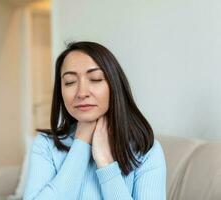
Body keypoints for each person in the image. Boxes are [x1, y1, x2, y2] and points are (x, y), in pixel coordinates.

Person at [23, 41, 166, 200]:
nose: (82, 93)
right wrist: (81, 143)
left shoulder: (146, 151)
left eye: (95, 79)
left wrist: (106, 164)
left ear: (114, 85)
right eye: (70, 82)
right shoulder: (45, 146)